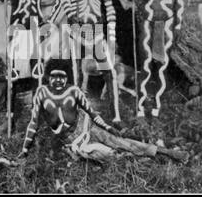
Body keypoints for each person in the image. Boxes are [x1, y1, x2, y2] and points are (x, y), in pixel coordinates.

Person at [18, 59, 188, 163]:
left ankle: (166, 152)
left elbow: (92, 113)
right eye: (54, 76)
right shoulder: (42, 93)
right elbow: (33, 124)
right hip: (74, 140)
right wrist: (25, 150)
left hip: (87, 126)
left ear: (67, 77)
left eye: (62, 77)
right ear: (48, 76)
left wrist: (108, 128)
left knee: (120, 141)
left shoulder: (74, 91)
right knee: (105, 154)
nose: (58, 80)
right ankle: (142, 156)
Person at [50, 0, 120, 122]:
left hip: (95, 30)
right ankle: (75, 114)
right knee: (77, 73)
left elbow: (109, 6)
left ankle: (116, 117)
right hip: (76, 29)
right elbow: (65, 0)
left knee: (109, 72)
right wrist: (73, 15)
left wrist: (111, 33)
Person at [0, 0, 62, 131]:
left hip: (35, 27)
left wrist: (49, 21)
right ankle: (10, 118)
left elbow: (58, 0)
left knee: (38, 73)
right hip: (17, 27)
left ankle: (37, 114)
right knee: (13, 74)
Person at [125, 0, 184, 118]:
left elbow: (179, 0)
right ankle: (141, 104)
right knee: (145, 64)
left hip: (165, 24)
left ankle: (158, 105)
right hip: (147, 23)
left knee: (161, 65)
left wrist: (178, 26)